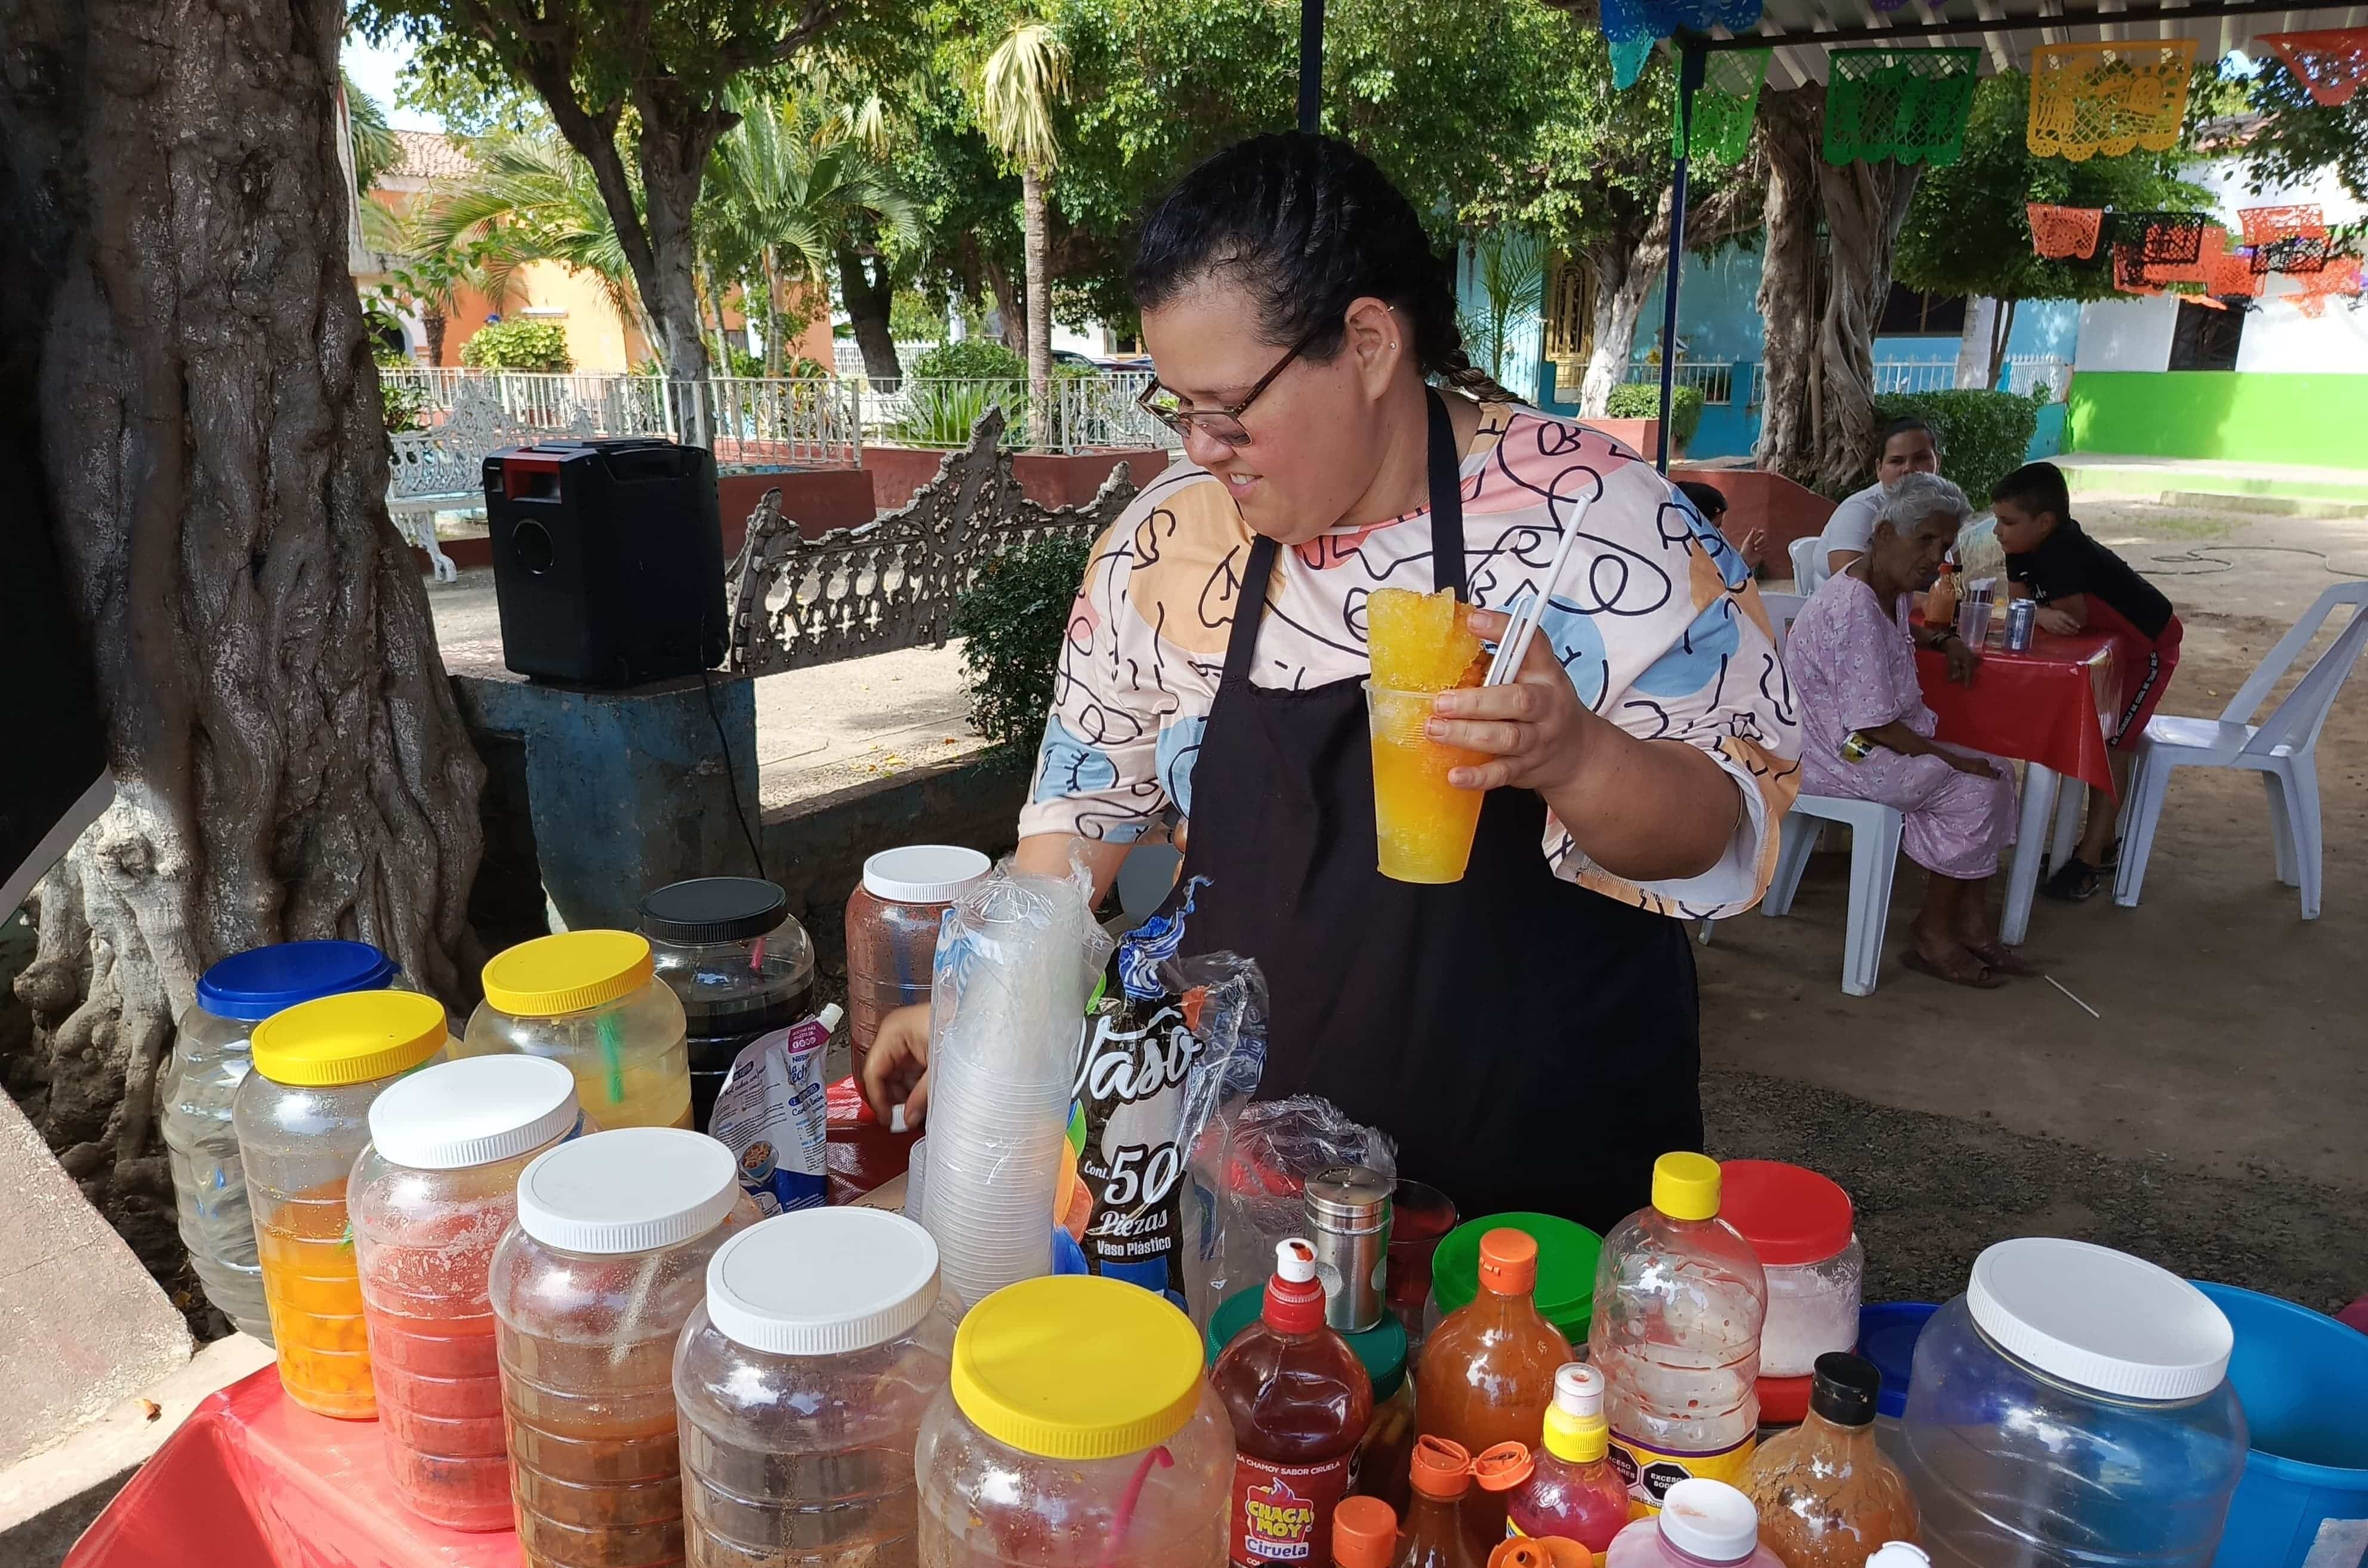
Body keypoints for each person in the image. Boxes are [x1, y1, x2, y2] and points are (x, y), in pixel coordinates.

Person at [861, 134, 1802, 1233]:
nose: (1202, 448)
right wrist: (988, 1020)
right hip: (1242, 1185)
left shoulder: (1605, 523)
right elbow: (1077, 820)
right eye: (1176, 410)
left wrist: (1576, 756)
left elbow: (1718, 828)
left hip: (1531, 1191)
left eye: (1227, 408)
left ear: (1365, 342)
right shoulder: (1163, 544)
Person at [1786, 474, 2029, 989]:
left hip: (1865, 743)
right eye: (1925, 540)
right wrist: (1953, 760)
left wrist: (1942, 639)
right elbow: (1873, 725)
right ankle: (1932, 932)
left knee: (1999, 773)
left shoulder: (1883, 587)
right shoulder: (1855, 607)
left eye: (1943, 545)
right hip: (1840, 753)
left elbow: (1902, 629)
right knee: (1973, 787)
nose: (1935, 557)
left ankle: (1970, 921)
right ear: (1884, 533)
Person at [1991, 460, 2183, 901]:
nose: (1998, 531)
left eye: (2007, 521)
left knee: (2114, 743)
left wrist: (2038, 615)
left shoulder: (2063, 548)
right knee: (2090, 734)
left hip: (2146, 651)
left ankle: (2092, 854)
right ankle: (2103, 842)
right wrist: (2039, 613)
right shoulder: (2020, 546)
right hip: (2102, 653)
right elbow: (2026, 609)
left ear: (2045, 522)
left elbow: (2072, 620)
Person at [1817, 418, 1942, 579]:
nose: (1908, 469)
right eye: (1897, 461)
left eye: (1920, 459)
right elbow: (1851, 588)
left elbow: (1954, 575)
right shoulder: (1860, 512)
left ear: (1937, 462)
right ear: (1879, 469)